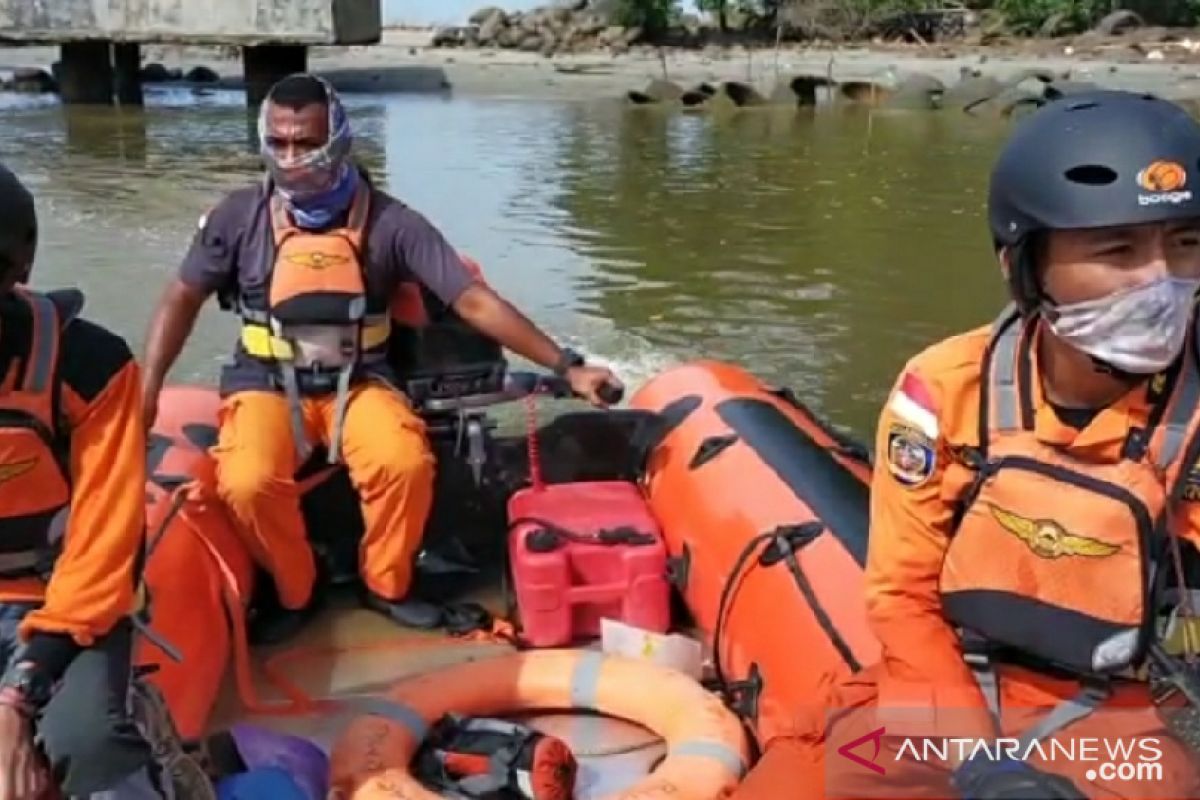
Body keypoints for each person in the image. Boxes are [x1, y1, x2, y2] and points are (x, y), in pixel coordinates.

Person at [776, 90, 1200, 800]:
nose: (1159, 282)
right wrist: (978, 760)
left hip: (1113, 709)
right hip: (940, 683)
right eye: (1117, 249)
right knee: (807, 782)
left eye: (1186, 243)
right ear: (1024, 266)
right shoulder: (945, 391)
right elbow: (903, 596)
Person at [141, 73, 622, 645]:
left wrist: (567, 365)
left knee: (404, 463)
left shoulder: (393, 222)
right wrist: (146, 391)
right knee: (244, 481)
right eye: (280, 143)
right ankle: (298, 588)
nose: (292, 159)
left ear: (339, 140)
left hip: (362, 378)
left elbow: (472, 301)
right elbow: (182, 296)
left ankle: (387, 584)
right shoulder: (237, 216)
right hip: (265, 379)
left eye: (307, 143)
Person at [0, 163, 212, 799]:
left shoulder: (88, 367)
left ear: (16, 269)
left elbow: (100, 552)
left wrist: (18, 698)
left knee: (87, 745)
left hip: (59, 603)